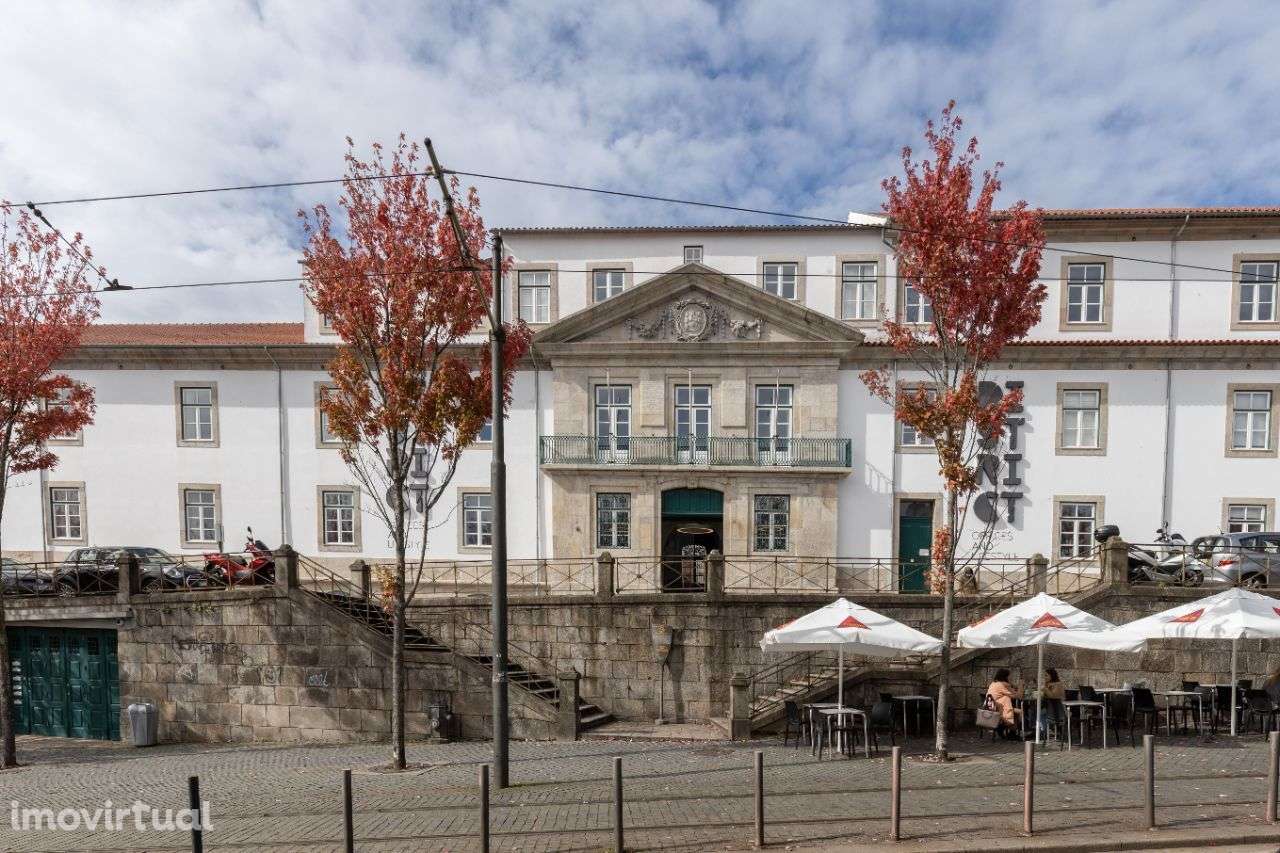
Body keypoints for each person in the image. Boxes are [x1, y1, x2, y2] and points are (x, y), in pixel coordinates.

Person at [986, 668, 1022, 739]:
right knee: (1019, 712)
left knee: (1013, 710)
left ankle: (1007, 730)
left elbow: (1011, 690)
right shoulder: (1003, 685)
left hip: (992, 707)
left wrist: (1011, 684)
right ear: (1005, 677)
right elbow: (1019, 696)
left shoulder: (994, 683)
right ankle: (1010, 732)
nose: (1010, 677)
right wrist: (1021, 684)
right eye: (1009, 676)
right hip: (999, 709)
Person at [1038, 668, 1066, 739]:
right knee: (1034, 710)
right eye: (1044, 676)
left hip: (1057, 709)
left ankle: (1045, 731)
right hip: (1049, 707)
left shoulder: (1058, 684)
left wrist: (1045, 689)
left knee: (1040, 713)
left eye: (1046, 675)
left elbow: (1053, 696)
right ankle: (1043, 731)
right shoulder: (1048, 684)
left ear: (1052, 676)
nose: (1045, 677)